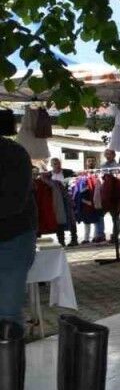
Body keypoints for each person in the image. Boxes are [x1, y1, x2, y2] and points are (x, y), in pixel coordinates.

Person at [0, 136, 37, 327]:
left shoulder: (13, 153)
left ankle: (9, 345)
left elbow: (13, 201)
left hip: (12, 239)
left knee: (7, 314)